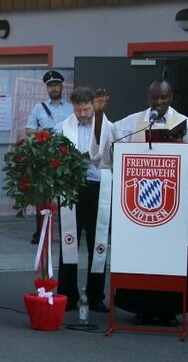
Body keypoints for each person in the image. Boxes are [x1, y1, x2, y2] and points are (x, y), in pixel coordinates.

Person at [98, 79, 188, 326]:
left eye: (164, 98)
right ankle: (142, 308)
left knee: (171, 255)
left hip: (171, 205)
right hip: (142, 206)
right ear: (148, 97)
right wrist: (99, 114)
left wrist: (183, 154)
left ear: (171, 97)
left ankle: (170, 310)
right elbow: (111, 138)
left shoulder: (183, 123)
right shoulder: (135, 122)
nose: (159, 103)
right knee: (142, 253)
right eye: (154, 98)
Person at [55, 87, 112, 313]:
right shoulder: (63, 128)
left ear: (93, 105)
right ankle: (67, 293)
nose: (82, 114)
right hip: (72, 188)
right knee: (69, 240)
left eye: (86, 109)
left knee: (97, 242)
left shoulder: (109, 127)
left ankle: (96, 295)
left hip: (99, 186)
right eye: (78, 110)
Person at [26, 70, 74, 244]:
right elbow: (29, 130)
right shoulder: (39, 108)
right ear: (47, 88)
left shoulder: (70, 108)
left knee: (65, 196)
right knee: (43, 196)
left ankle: (65, 233)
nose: (54, 88)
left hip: (65, 156)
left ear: (61, 87)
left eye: (57, 85)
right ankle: (40, 232)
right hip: (45, 157)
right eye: (51, 85)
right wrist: (43, 133)